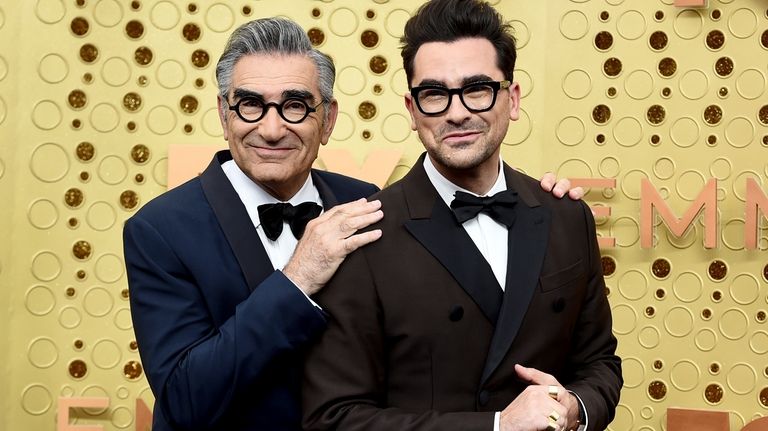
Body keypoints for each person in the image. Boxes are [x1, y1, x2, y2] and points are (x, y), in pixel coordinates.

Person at [123, 15, 582, 431]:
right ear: (224, 115)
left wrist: (538, 204)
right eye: (250, 105)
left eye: (296, 105)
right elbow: (185, 400)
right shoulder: (160, 231)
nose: (271, 128)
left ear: (328, 120)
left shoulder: (366, 202)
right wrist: (297, 279)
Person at [301, 1, 622, 431]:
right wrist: (495, 427)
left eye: (477, 89)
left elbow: (599, 363)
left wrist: (574, 409)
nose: (457, 112)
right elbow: (333, 417)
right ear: (413, 111)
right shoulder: (363, 236)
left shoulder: (566, 216)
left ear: (511, 99)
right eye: (434, 93)